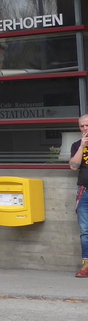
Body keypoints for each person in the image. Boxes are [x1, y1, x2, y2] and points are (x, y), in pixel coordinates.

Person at [68, 114, 88, 278]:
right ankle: (86, 265)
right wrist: (82, 146)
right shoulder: (76, 145)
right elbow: (74, 166)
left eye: (87, 125)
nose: (84, 128)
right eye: (82, 126)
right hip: (84, 192)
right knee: (85, 231)